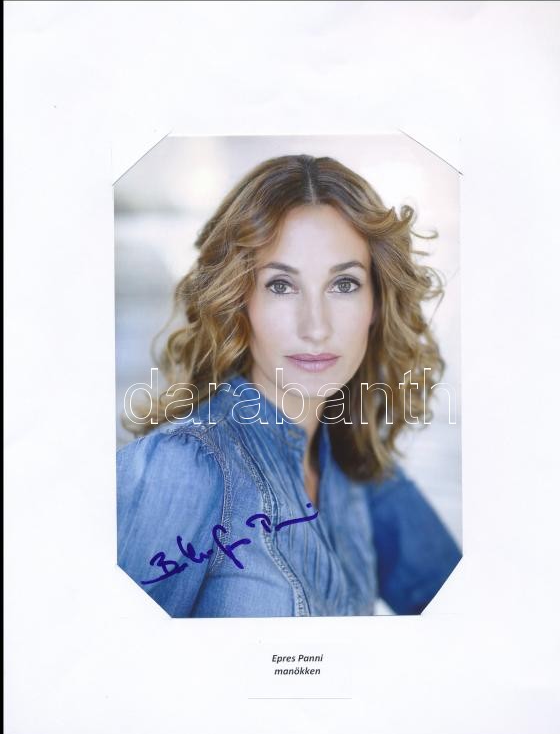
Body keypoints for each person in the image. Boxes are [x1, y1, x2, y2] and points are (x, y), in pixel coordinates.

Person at [116, 153, 461, 618]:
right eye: (281, 285)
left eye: (344, 284)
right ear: (239, 301)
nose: (315, 327)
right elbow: (106, 653)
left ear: (377, 304)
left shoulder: (357, 472)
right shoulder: (184, 466)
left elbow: (476, 623)